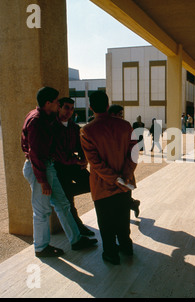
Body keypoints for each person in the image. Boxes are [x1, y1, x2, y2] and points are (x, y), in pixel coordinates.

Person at [21, 87, 97, 258]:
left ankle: (76, 240)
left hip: (47, 167)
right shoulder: (37, 120)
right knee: (42, 211)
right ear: (49, 103)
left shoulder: (42, 118)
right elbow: (35, 153)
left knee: (62, 204)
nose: (58, 104)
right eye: (56, 101)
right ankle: (41, 247)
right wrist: (43, 180)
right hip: (39, 169)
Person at [80, 91, 138, 265]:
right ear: (107, 105)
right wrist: (125, 176)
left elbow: (95, 163)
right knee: (122, 219)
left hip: (102, 186)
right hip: (125, 185)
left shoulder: (87, 131)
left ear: (91, 108)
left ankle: (111, 254)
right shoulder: (126, 126)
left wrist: (114, 178)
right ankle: (127, 247)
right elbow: (134, 154)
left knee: (106, 224)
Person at [52, 97, 94, 236]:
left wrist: (84, 159)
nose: (69, 111)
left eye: (71, 108)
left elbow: (81, 145)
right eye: (66, 107)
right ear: (59, 108)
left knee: (92, 183)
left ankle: (66, 192)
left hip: (73, 165)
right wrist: (76, 161)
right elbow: (57, 153)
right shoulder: (52, 126)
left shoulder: (74, 127)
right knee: (69, 203)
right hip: (59, 168)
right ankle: (79, 228)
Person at [108, 105, 141, 218]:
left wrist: (128, 172)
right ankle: (133, 204)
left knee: (124, 196)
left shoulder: (126, 128)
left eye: (122, 114)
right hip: (112, 171)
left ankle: (132, 204)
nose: (122, 117)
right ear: (112, 114)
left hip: (124, 170)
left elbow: (134, 151)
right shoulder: (106, 128)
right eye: (120, 114)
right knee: (117, 199)